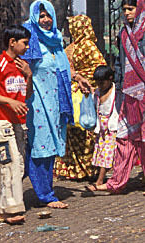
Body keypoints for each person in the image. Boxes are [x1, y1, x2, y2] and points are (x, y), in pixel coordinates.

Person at [87, 0, 145, 195]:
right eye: (124, 10)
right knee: (125, 137)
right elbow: (119, 62)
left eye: (131, 9)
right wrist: (119, 86)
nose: (127, 13)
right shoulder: (124, 34)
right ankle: (117, 181)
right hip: (129, 94)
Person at [22, 0, 75, 209]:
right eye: (41, 16)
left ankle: (44, 189)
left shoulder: (56, 40)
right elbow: (23, 68)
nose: (45, 20)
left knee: (51, 146)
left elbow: (60, 69)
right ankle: (45, 194)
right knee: (40, 146)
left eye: (48, 15)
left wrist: (78, 78)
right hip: (38, 103)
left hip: (56, 102)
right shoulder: (30, 38)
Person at [0, 25, 33, 225]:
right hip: (1, 119)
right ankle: (10, 209)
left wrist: (29, 75)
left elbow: (27, 94)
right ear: (12, 42)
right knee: (9, 163)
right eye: (25, 43)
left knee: (19, 165)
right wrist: (9, 102)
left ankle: (8, 205)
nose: (27, 47)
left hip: (19, 121)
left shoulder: (23, 65)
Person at [54, 14, 104, 181]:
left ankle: (74, 170)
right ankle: (89, 169)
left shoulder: (71, 48)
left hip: (72, 94)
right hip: (86, 94)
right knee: (87, 131)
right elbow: (99, 70)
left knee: (73, 131)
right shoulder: (89, 46)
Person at [90, 66, 119, 187]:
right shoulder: (96, 93)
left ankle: (100, 181)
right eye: (97, 83)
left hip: (112, 127)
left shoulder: (116, 92)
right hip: (101, 128)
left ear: (110, 79)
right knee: (100, 152)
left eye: (102, 83)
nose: (100, 85)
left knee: (107, 153)